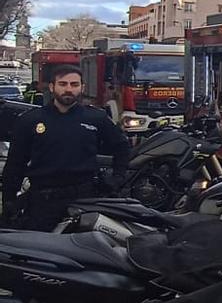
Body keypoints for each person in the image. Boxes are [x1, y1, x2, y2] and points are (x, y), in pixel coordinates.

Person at [1, 63, 130, 230]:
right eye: (63, 84)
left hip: (85, 200)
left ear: (82, 87)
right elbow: (15, 165)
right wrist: (9, 202)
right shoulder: (30, 120)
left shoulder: (96, 118)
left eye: (74, 84)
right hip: (43, 202)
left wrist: (117, 178)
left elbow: (122, 147)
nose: (69, 89)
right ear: (52, 87)